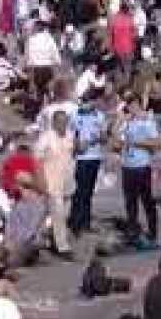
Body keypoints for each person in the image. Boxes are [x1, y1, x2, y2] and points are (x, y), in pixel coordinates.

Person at [120, 96, 161, 243]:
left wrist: (138, 143)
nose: (130, 108)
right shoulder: (127, 122)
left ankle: (153, 231)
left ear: (138, 104)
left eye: (132, 104)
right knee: (130, 202)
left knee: (147, 200)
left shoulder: (147, 122)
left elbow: (157, 143)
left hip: (142, 166)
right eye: (128, 105)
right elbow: (116, 139)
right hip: (127, 166)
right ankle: (132, 231)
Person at [36, 110, 75, 260]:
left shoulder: (70, 135)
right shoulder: (45, 138)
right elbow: (37, 161)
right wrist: (41, 182)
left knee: (64, 215)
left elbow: (72, 153)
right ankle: (62, 247)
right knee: (58, 215)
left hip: (67, 181)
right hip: (51, 182)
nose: (63, 125)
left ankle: (51, 238)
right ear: (54, 122)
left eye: (65, 122)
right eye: (60, 122)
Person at [69, 94, 107, 236]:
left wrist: (93, 140)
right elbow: (71, 135)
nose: (85, 104)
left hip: (94, 157)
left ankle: (85, 222)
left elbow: (104, 138)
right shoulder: (75, 115)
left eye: (88, 101)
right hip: (80, 158)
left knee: (88, 192)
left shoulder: (100, 116)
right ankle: (75, 222)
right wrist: (77, 146)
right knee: (78, 191)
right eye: (83, 101)